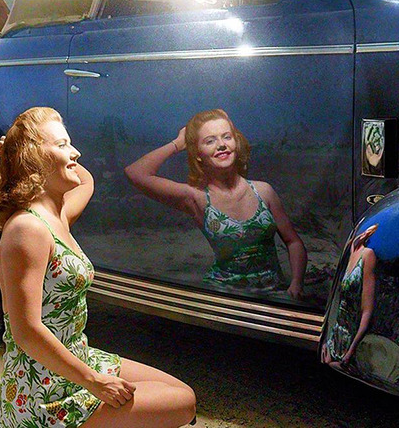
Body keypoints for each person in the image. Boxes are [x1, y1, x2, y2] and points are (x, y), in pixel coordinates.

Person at [0, 107, 196, 428]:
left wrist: (14, 151)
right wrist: (95, 383)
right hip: (41, 399)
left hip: (77, 359)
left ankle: (104, 412)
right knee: (182, 405)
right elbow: (25, 330)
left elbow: (87, 179)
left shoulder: (57, 214)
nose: (75, 153)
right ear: (35, 156)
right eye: (63, 144)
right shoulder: (27, 230)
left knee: (181, 393)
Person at [124, 109, 307, 297]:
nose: (221, 145)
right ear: (197, 153)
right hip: (221, 296)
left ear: (235, 142)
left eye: (226, 137)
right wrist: (178, 143)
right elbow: (135, 173)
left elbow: (293, 242)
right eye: (210, 141)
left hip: (273, 295)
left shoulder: (263, 191)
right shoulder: (197, 198)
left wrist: (296, 284)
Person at [321, 223, 378, 367]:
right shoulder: (350, 251)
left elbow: (367, 310)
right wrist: (326, 339)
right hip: (335, 335)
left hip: (350, 337)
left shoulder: (367, 254)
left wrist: (351, 351)